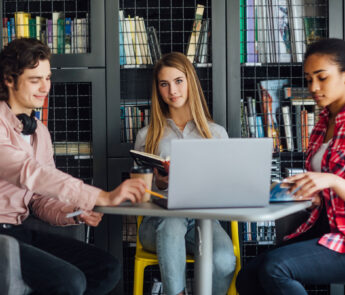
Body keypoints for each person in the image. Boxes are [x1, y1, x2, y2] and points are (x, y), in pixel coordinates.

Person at [0, 38, 147, 294]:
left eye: (47, 78)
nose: (45, 87)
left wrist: (75, 211)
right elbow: (30, 173)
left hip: (17, 231)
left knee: (107, 268)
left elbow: (38, 199)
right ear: (9, 80)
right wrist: (101, 196)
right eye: (35, 80)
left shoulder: (40, 133)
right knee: (69, 281)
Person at [236, 38, 345, 295]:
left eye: (322, 77)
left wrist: (331, 181)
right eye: (308, 79)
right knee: (248, 277)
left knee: (276, 269)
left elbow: (333, 179)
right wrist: (310, 191)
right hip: (324, 225)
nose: (314, 87)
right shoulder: (323, 122)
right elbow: (324, 183)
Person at [134, 52, 236, 295]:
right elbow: (138, 194)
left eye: (179, 81)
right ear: (158, 89)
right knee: (172, 223)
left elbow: (229, 187)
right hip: (157, 222)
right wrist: (157, 182)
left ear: (190, 82)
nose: (173, 90)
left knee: (223, 260)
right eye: (164, 84)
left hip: (203, 222)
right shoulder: (147, 136)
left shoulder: (216, 133)